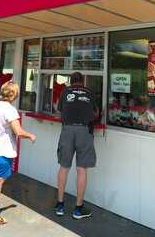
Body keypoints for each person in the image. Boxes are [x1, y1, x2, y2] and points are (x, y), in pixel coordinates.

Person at [0, 81, 36, 226]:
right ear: (14, 94)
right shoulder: (10, 110)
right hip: (3, 152)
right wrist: (30, 135)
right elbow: (18, 132)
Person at [55, 72, 98, 219]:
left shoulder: (65, 92)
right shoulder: (89, 92)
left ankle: (60, 205)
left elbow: (59, 110)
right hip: (84, 131)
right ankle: (78, 209)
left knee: (64, 167)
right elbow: (96, 113)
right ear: (82, 81)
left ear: (71, 82)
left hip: (67, 130)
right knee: (81, 169)